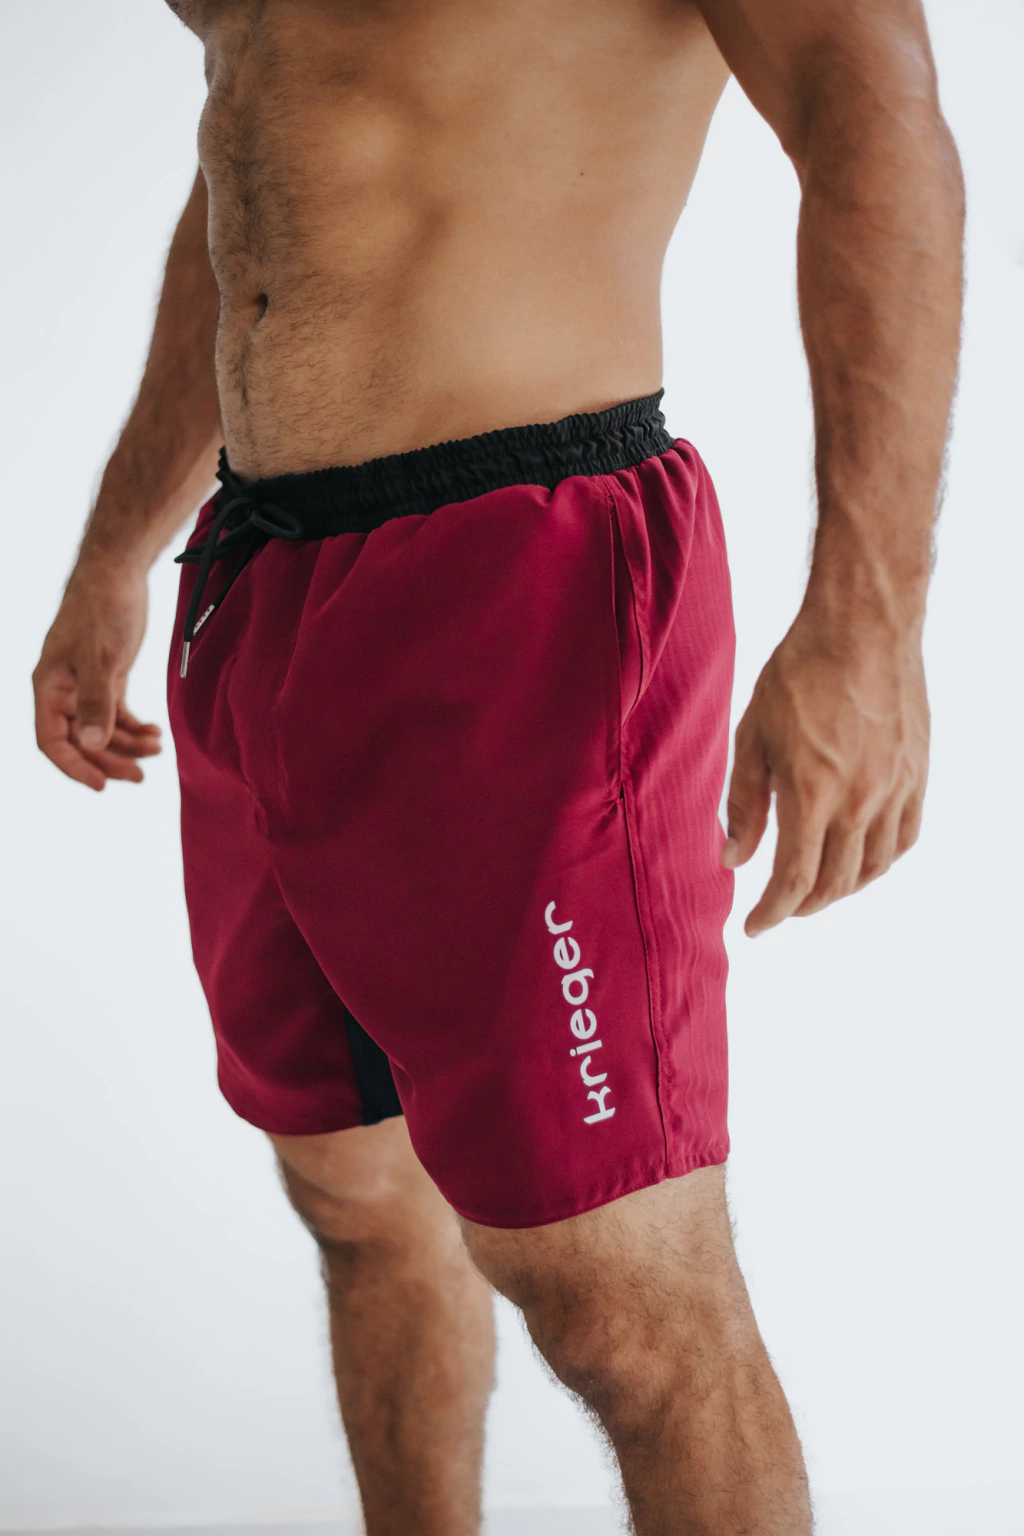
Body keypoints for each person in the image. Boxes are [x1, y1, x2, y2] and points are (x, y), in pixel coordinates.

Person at [32, 1, 963, 1531]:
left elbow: (872, 114)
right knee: (354, 1197)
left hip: (523, 562)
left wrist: (870, 622)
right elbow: (259, 158)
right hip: (259, 575)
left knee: (622, 1300)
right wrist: (115, 550)